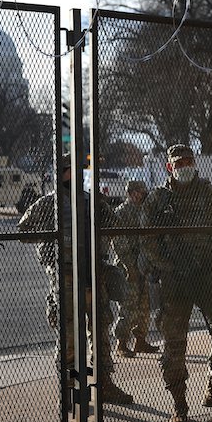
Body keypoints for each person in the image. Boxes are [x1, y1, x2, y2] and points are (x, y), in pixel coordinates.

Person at [18, 153, 133, 404]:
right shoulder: (48, 204)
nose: (78, 174)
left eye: (80, 170)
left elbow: (116, 225)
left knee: (100, 332)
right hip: (66, 274)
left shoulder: (91, 201)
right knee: (69, 335)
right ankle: (69, 390)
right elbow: (23, 230)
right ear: (62, 172)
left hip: (93, 274)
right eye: (73, 170)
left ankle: (104, 385)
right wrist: (51, 238)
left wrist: (104, 209)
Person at [144, 144, 212, 422]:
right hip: (175, 280)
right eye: (178, 162)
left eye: (188, 161)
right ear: (168, 167)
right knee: (174, 346)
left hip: (209, 276)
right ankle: (179, 405)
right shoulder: (157, 200)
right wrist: (166, 265)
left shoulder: (211, 195)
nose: (184, 166)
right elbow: (147, 241)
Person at [111, 181, 159, 358]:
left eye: (143, 191)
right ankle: (121, 343)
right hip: (128, 265)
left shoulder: (145, 211)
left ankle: (140, 340)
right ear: (131, 193)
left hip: (143, 264)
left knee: (144, 305)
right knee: (128, 305)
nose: (142, 195)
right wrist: (129, 265)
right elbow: (118, 241)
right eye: (139, 192)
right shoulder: (121, 213)